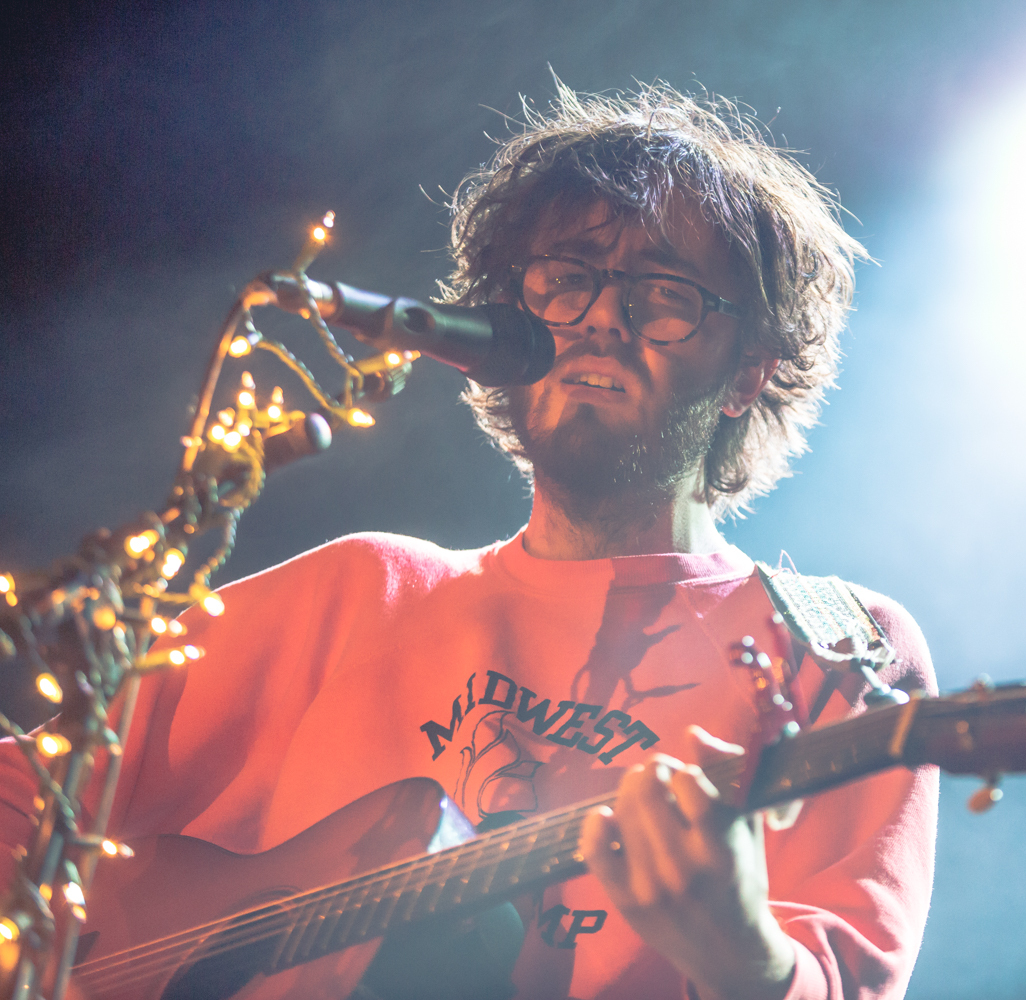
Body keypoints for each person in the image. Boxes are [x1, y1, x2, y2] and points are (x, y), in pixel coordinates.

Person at [0, 83, 938, 1000]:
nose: (600, 317)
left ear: (748, 374)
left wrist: (751, 964)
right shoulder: (364, 587)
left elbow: (843, 975)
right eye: (566, 282)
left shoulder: (838, 644)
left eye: (664, 294)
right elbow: (28, 801)